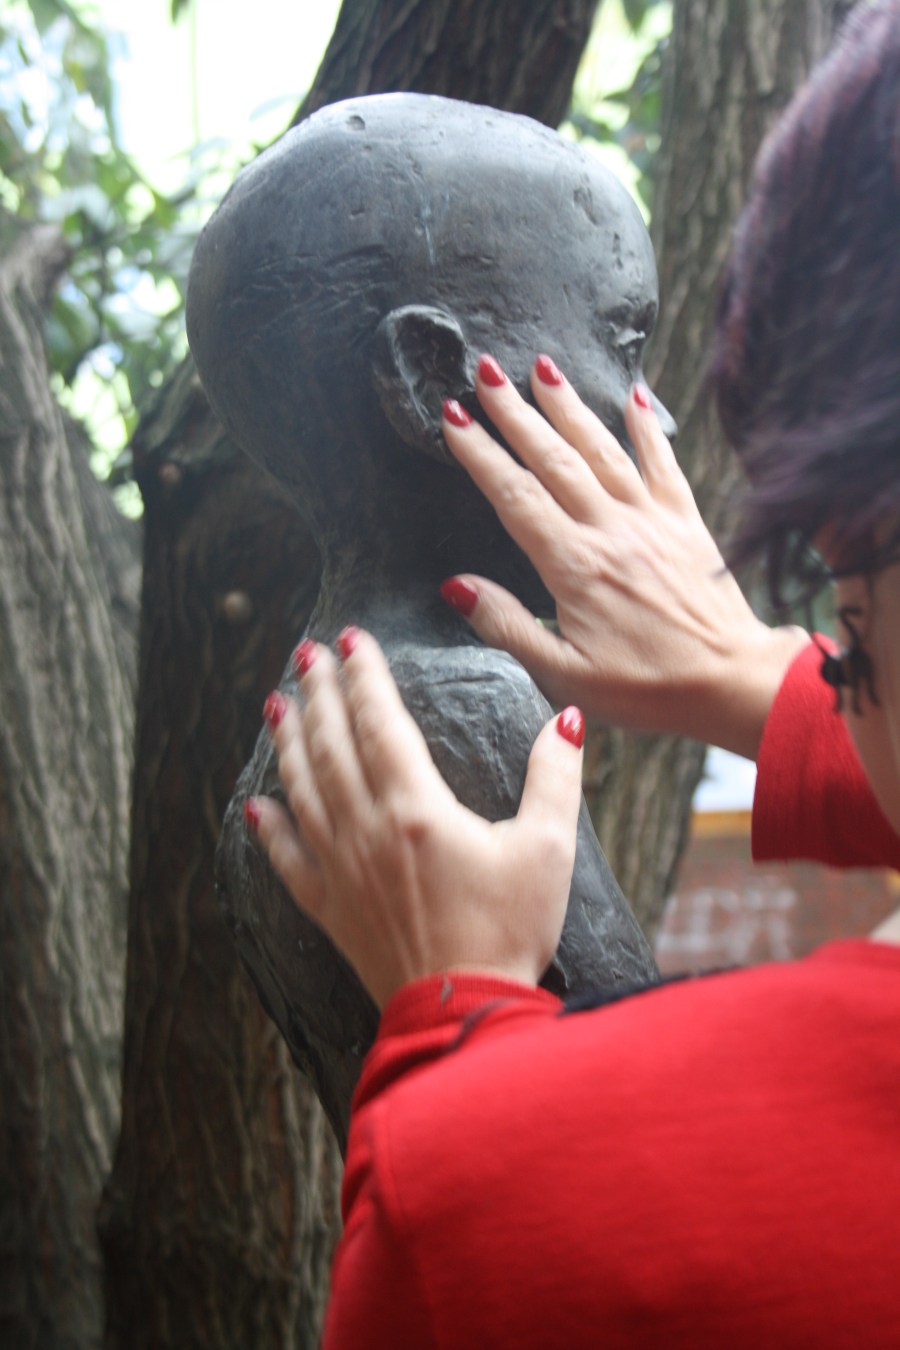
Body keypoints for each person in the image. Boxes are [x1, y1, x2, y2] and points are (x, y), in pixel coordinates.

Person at [247, 2, 900, 1344]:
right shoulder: (462, 700)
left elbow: (615, 1139)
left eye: (855, 639)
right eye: (631, 345)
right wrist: (783, 685)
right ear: (436, 381)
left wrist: (463, 1046)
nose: (650, 414)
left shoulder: (355, 697)